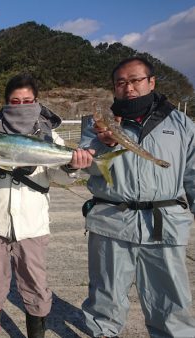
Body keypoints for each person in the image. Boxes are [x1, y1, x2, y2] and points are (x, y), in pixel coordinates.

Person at [0, 74, 94, 338]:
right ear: (6, 103)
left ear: (36, 101)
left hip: (33, 227)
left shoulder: (51, 137)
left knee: (36, 287)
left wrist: (72, 166)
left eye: (28, 101)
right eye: (16, 101)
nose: (22, 106)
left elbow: (58, 177)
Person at [80, 56, 195, 337]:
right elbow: (87, 167)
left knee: (170, 302)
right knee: (104, 299)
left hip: (164, 223)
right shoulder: (96, 124)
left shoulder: (181, 124)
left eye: (135, 81)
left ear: (151, 82)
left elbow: (192, 172)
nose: (128, 88)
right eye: (121, 83)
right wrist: (103, 144)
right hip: (111, 221)